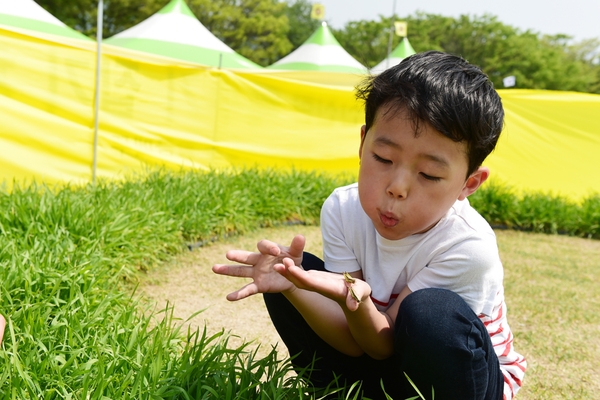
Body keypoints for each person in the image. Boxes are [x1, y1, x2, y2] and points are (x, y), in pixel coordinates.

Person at [212, 51, 526, 400]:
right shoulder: (343, 209)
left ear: (469, 183)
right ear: (363, 143)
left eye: (429, 174)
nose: (398, 187)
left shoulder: (467, 246)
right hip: (386, 356)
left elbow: (385, 341)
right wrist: (294, 287)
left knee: (429, 314)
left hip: (461, 378)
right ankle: (341, 393)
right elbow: (358, 342)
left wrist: (359, 305)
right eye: (383, 158)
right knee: (294, 274)